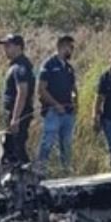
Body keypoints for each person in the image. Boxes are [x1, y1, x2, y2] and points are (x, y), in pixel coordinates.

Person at [36, 35, 78, 175]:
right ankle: (40, 172)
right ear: (61, 47)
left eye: (72, 48)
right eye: (70, 47)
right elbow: (41, 89)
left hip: (68, 112)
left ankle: (66, 172)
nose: (72, 50)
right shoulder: (49, 65)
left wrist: (76, 102)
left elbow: (73, 88)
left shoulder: (69, 68)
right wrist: (55, 105)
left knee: (66, 145)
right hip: (53, 112)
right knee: (47, 143)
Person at [0, 33, 36, 167]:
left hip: (19, 114)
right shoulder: (16, 65)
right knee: (11, 148)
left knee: (17, 147)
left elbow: (22, 92)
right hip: (15, 113)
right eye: (5, 46)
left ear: (19, 47)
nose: (5, 49)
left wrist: (15, 118)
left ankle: (29, 177)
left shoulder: (21, 67)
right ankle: (16, 179)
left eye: (9, 45)